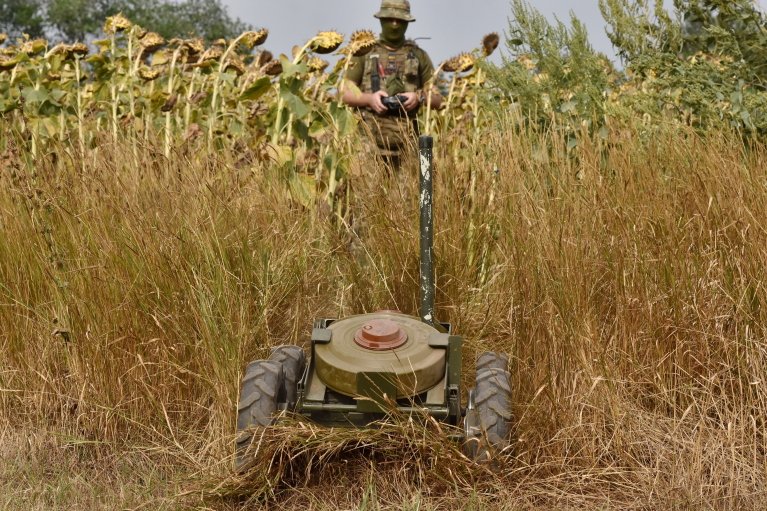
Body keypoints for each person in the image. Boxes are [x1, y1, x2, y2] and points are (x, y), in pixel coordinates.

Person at [341, 0, 443, 169]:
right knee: (366, 194)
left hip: (407, 144)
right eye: (390, 19)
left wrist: (418, 97)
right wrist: (369, 99)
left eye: (400, 20)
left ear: (407, 22)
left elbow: (439, 100)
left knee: (408, 195)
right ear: (381, 20)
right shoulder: (363, 52)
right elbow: (343, 92)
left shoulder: (419, 55)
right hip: (368, 145)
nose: (395, 25)